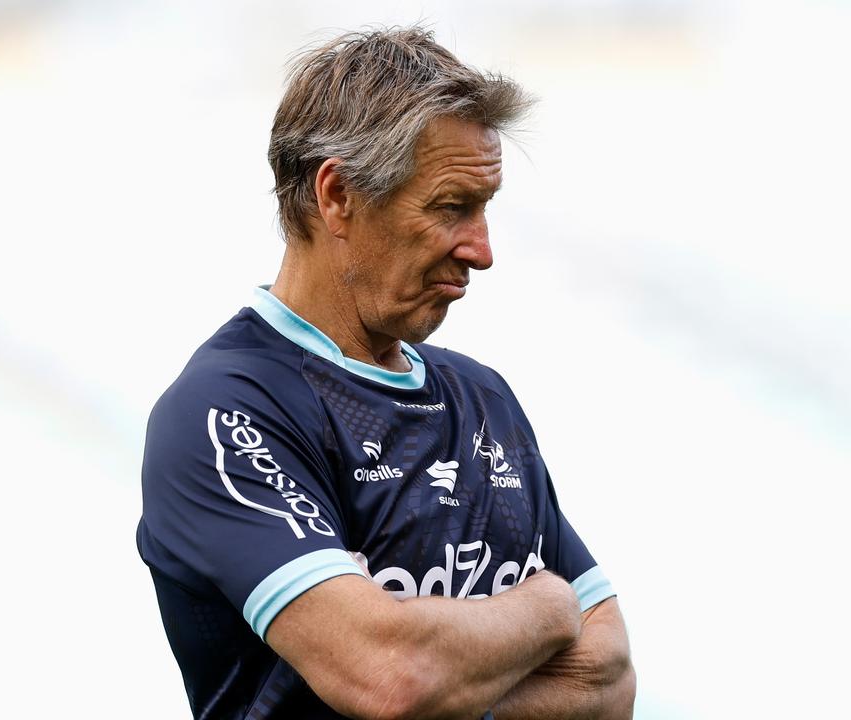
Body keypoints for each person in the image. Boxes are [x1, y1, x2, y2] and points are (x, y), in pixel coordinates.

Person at [136, 27, 635, 720]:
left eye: (485, 208)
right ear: (338, 195)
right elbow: (390, 677)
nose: (483, 251)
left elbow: (608, 679)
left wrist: (445, 684)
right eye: (451, 207)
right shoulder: (229, 410)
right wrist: (548, 608)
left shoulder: (481, 398)